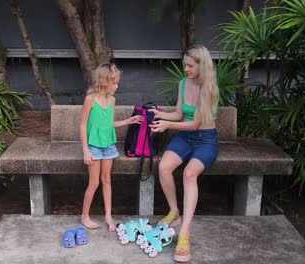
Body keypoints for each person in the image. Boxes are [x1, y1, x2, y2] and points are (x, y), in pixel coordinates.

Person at [149, 45, 219, 262]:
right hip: (185, 138)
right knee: (164, 167)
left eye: (190, 66)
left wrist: (167, 126)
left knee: (189, 174)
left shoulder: (210, 89)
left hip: (205, 140)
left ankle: (185, 233)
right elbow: (180, 114)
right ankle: (174, 212)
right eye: (185, 65)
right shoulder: (182, 84)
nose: (186, 69)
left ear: (202, 65)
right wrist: (159, 114)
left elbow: (196, 124)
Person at [80, 63, 143, 232]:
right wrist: (86, 150)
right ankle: (85, 216)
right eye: (114, 82)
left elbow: (109, 124)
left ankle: (108, 216)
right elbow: (83, 125)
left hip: (108, 146)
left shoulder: (112, 100)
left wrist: (128, 121)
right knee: (93, 183)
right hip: (93, 146)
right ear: (103, 81)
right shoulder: (90, 100)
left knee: (106, 179)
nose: (117, 86)